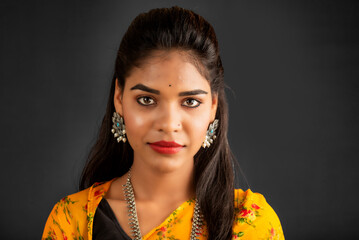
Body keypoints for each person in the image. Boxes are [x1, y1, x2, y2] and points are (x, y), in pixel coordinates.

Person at [41, 6, 284, 240]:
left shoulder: (250, 223)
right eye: (146, 100)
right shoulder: (73, 222)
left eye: (190, 101)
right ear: (119, 98)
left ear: (213, 107)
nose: (169, 124)